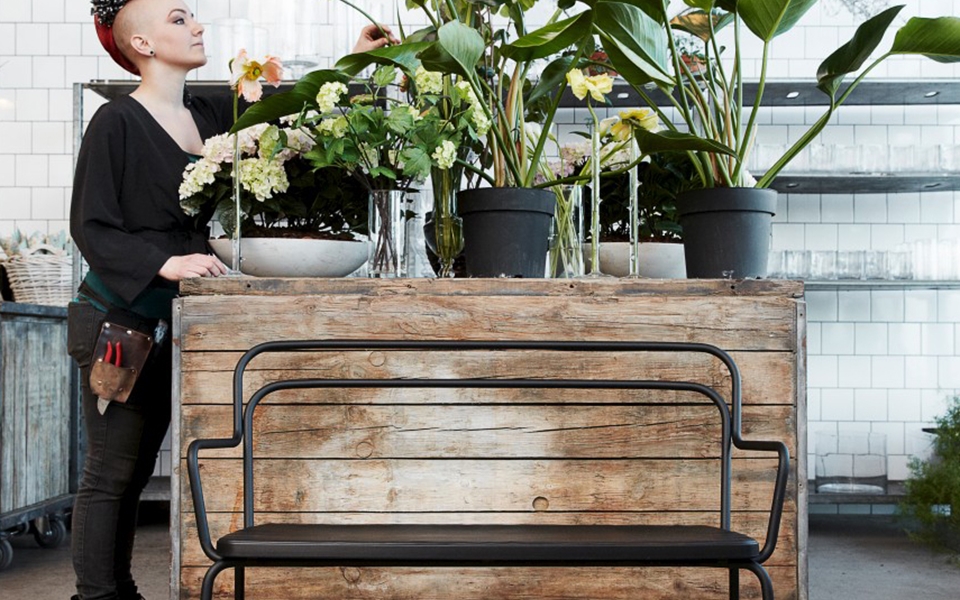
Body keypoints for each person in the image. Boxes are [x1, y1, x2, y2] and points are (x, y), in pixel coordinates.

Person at [69, 2, 396, 599]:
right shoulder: (116, 122)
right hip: (119, 324)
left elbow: (291, 108)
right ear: (141, 43)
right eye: (178, 19)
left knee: (135, 474)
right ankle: (98, 596)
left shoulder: (211, 112)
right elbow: (91, 225)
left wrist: (354, 61)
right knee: (112, 474)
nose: (197, 26)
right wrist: (166, 263)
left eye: (193, 16)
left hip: (181, 322)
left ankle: (120, 592)